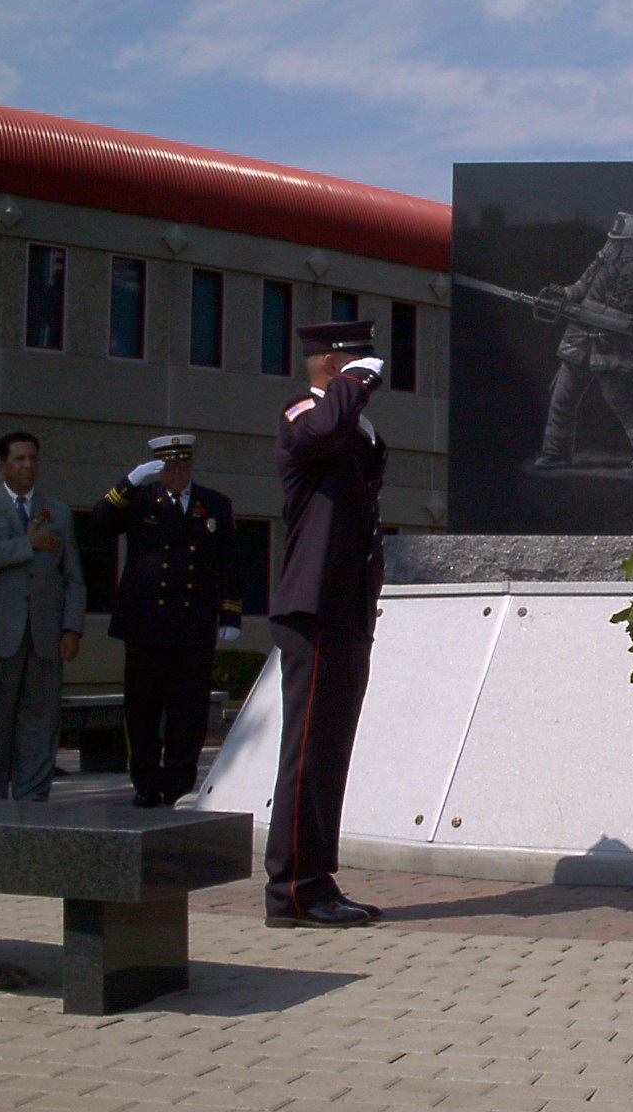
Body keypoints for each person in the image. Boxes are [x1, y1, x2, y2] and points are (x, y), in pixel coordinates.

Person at [264, 321, 386, 929]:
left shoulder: (350, 423)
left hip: (345, 605)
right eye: (361, 361)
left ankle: (318, 877)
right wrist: (353, 383)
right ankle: (291, 889)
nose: (374, 372)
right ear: (335, 362)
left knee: (329, 751)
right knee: (306, 749)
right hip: (311, 607)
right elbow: (320, 431)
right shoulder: (302, 411)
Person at [89, 434, 242, 807]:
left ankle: (178, 782)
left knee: (188, 712)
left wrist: (231, 613)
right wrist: (129, 482)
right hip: (146, 623)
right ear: (158, 469)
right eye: (169, 466)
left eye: (183, 464)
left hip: (193, 623)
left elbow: (230, 562)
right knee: (142, 709)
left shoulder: (214, 504)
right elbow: (97, 524)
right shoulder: (140, 500)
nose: (177, 472)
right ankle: (145, 781)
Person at [0, 431, 85, 800]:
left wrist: (72, 627)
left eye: (33, 458)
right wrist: (27, 544)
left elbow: (73, 577)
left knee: (40, 722)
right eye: (20, 459)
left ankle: (34, 800)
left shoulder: (57, 510)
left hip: (44, 636)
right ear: (2, 464)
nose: (28, 465)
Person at [532, 212, 633, 471]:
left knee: (624, 403)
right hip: (579, 343)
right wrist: (560, 293)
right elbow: (577, 291)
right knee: (561, 398)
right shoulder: (599, 265)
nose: (617, 247)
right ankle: (555, 454)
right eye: (616, 242)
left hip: (614, 348)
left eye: (624, 243)